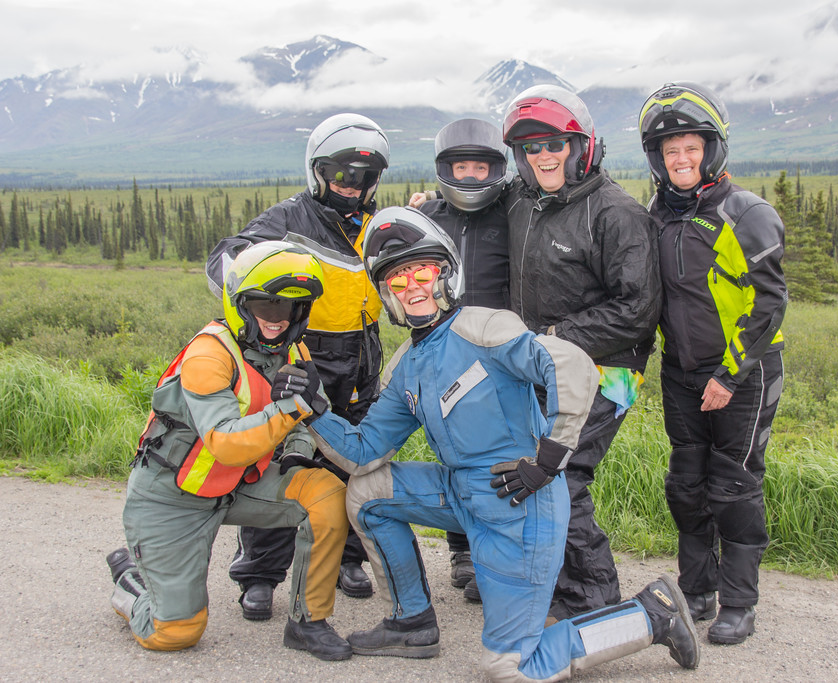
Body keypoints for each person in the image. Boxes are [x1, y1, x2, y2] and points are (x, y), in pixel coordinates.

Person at [298, 206, 698, 680]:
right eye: (398, 282)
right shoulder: (406, 363)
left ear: (445, 276)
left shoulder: (484, 327)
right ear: (388, 296)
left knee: (511, 666)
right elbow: (363, 453)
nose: (413, 289)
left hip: (520, 502)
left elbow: (568, 364)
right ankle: (410, 622)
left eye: (421, 273)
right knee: (367, 495)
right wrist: (314, 407)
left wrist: (548, 460)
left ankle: (651, 614)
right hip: (462, 493)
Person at [105, 241, 351, 661]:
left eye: (291, 309)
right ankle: (131, 580)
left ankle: (307, 622)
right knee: (176, 633)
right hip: (172, 496)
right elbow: (226, 443)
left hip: (237, 486)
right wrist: (293, 408)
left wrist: (294, 452)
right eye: (266, 306)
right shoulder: (209, 354)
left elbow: (304, 424)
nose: (278, 319)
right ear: (239, 302)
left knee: (327, 493)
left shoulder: (294, 350)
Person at [205, 113, 389, 616]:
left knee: (355, 460)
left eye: (365, 176)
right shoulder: (289, 217)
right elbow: (229, 257)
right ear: (317, 171)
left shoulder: (376, 224)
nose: (352, 185)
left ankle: (347, 558)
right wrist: (252, 310)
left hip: (362, 358)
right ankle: (259, 573)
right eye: (341, 173)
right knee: (284, 460)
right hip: (303, 353)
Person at [501, 85, 662, 622]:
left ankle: (594, 600)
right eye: (530, 148)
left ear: (581, 146)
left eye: (554, 144)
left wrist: (553, 334)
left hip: (608, 370)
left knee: (562, 475)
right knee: (534, 471)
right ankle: (556, 587)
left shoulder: (617, 213)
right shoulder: (525, 202)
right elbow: (471, 197)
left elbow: (637, 309)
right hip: (546, 365)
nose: (543, 156)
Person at [638, 82, 787, 645]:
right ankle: (695, 590)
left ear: (711, 149)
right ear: (658, 158)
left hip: (744, 373)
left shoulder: (746, 213)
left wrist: (730, 375)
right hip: (681, 371)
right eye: (671, 150)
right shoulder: (656, 215)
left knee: (735, 485)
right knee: (687, 484)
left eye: (691, 148)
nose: (681, 159)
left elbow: (768, 305)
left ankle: (739, 603)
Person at [414, 117, 513, 601]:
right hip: (447, 349)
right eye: (461, 166)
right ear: (444, 169)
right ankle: (463, 552)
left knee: (500, 456)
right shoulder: (430, 216)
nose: (471, 175)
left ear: (496, 168)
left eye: (480, 166)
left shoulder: (515, 209)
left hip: (501, 353)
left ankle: (499, 551)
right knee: (452, 451)